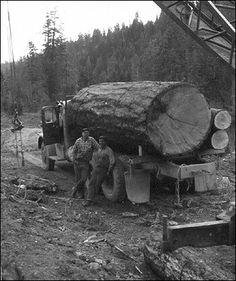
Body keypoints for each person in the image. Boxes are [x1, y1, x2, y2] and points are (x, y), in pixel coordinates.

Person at [84, 136, 115, 206]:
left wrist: (108, 171)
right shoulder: (98, 149)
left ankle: (92, 200)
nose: (101, 143)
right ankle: (89, 200)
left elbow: (112, 161)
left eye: (102, 141)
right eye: (100, 141)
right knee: (91, 183)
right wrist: (93, 168)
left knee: (97, 185)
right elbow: (95, 158)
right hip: (96, 168)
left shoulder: (109, 150)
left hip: (103, 170)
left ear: (105, 142)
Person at [71, 128, 99, 199]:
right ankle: (80, 194)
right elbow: (74, 151)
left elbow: (98, 148)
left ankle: (74, 190)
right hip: (77, 162)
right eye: (84, 133)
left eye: (87, 133)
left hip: (85, 163)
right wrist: (74, 160)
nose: (86, 134)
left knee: (84, 179)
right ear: (82, 134)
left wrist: (94, 155)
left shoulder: (91, 140)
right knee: (78, 178)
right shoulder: (78, 141)